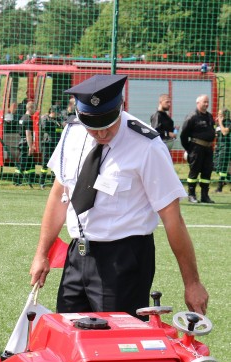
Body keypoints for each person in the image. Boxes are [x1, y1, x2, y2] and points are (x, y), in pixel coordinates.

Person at [29, 74, 208, 320]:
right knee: (69, 334)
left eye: (108, 124)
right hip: (77, 256)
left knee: (121, 344)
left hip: (123, 260)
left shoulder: (147, 146)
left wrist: (192, 283)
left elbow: (173, 219)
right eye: (93, 127)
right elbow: (59, 195)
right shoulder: (72, 134)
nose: (101, 134)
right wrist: (42, 254)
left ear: (120, 108)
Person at [179, 94, 215, 203]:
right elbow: (183, 135)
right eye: (204, 102)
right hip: (196, 148)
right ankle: (191, 195)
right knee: (194, 172)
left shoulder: (209, 116)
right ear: (198, 103)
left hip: (208, 149)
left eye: (207, 102)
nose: (206, 104)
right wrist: (189, 149)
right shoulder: (192, 116)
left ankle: (205, 196)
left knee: (207, 172)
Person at [13, 100, 37, 187]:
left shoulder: (22, 117)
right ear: (30, 108)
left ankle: (30, 180)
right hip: (25, 143)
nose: (35, 110)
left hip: (22, 141)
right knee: (22, 162)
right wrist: (30, 146)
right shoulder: (28, 119)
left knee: (29, 162)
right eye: (34, 108)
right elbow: (28, 134)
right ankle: (17, 181)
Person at [40, 105, 63, 188]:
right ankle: (42, 182)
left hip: (57, 144)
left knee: (56, 164)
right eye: (57, 112)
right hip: (47, 144)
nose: (58, 114)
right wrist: (55, 125)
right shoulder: (45, 118)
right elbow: (45, 127)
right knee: (45, 164)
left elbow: (61, 128)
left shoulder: (59, 120)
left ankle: (54, 183)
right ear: (52, 111)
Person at [213, 108, 231, 192]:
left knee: (222, 167)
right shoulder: (218, 124)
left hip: (226, 147)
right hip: (218, 148)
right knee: (215, 166)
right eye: (218, 115)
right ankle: (226, 180)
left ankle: (219, 187)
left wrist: (220, 122)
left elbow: (224, 132)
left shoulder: (228, 123)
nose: (218, 116)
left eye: (220, 115)